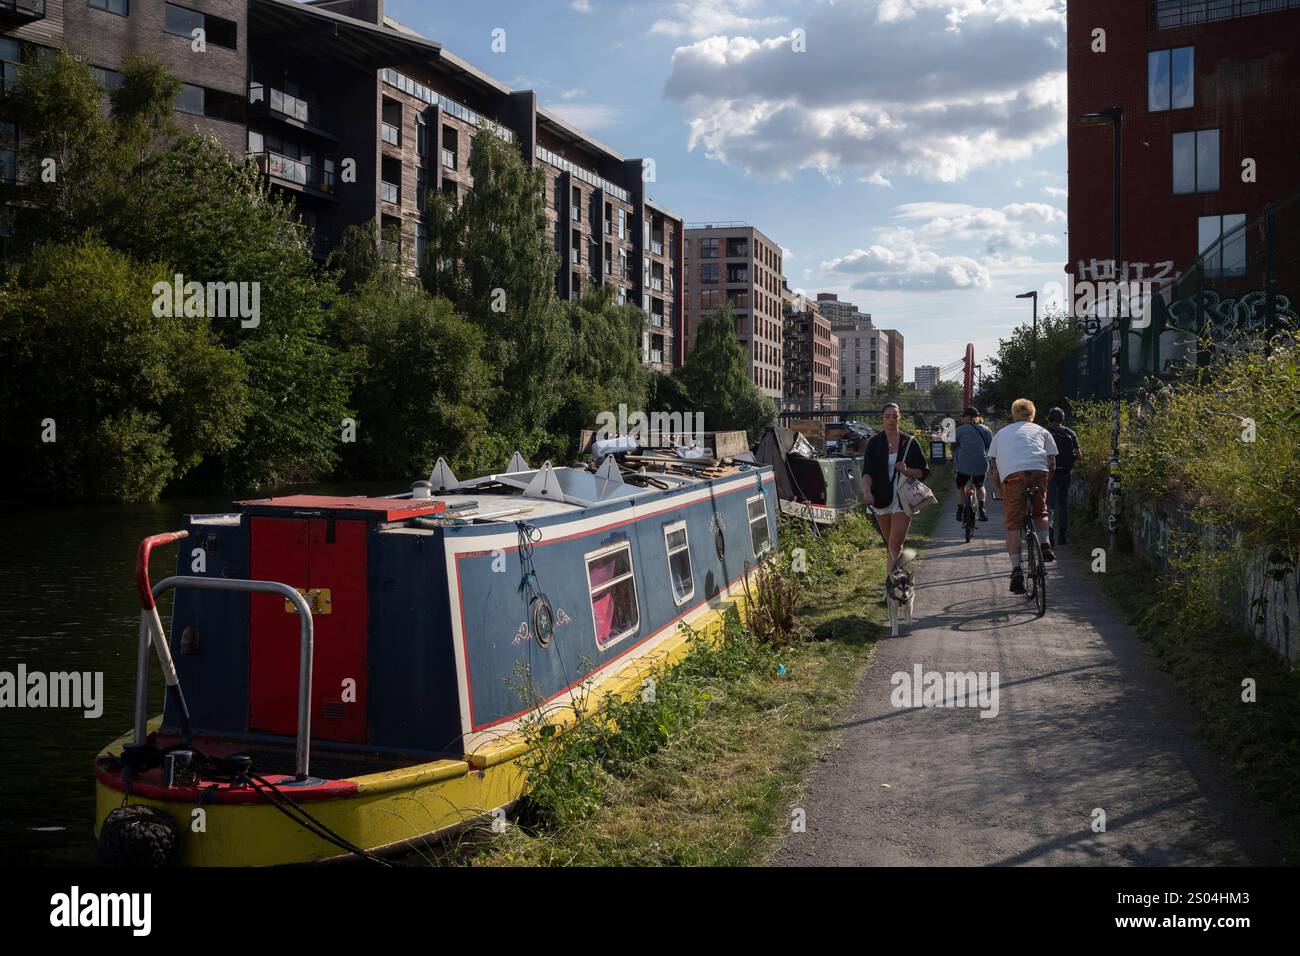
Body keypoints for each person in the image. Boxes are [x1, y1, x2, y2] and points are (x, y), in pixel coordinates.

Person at [988, 398, 1058, 594]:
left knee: (1013, 524)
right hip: (1038, 472)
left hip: (1012, 477)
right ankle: (1045, 545)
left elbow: (993, 468)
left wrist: (1003, 491)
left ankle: (1017, 569)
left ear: (1013, 414)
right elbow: (1052, 463)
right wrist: (1044, 484)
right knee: (1040, 512)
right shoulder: (1042, 431)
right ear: (1033, 414)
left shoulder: (1001, 433)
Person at [863, 403, 930, 568]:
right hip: (880, 497)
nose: (891, 420)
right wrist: (867, 492)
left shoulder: (910, 443)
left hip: (903, 499)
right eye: (888, 416)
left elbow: (923, 472)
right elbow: (867, 472)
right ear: (882, 419)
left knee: (894, 544)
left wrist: (908, 470)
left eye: (895, 416)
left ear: (900, 418)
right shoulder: (874, 443)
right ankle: (898, 580)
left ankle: (893, 587)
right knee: (891, 547)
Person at [1045, 407, 1082, 546]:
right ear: (1062, 419)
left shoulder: (1046, 433)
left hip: (1050, 472)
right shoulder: (1070, 433)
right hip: (1066, 473)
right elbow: (1079, 455)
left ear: (1050, 419)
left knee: (1050, 504)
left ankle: (1050, 533)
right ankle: (1062, 535)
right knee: (1063, 504)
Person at [952, 405, 993, 523]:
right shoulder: (986, 430)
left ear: (968, 418)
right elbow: (991, 447)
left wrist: (954, 461)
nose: (963, 419)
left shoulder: (960, 430)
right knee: (980, 486)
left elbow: (953, 446)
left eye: (964, 417)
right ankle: (982, 510)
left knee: (961, 487)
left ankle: (959, 511)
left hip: (963, 465)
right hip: (980, 465)